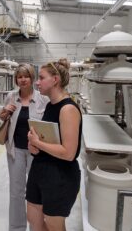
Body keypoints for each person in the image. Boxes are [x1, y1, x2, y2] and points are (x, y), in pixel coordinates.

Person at [26, 58, 82, 231]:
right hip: (40, 169)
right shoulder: (50, 105)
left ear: (55, 80)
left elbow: (68, 152)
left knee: (54, 225)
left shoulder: (68, 109)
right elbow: (49, 140)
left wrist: (38, 143)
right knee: (34, 220)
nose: (37, 82)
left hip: (60, 176)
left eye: (41, 78)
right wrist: (34, 147)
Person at [0, 63, 49, 231]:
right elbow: (4, 118)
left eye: (26, 76)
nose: (22, 79)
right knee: (16, 192)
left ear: (32, 78)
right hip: (16, 151)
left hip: (37, 152)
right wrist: (4, 113)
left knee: (36, 193)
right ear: (16, 80)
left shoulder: (43, 98)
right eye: (19, 77)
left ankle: (37, 227)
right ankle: (16, 228)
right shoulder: (11, 97)